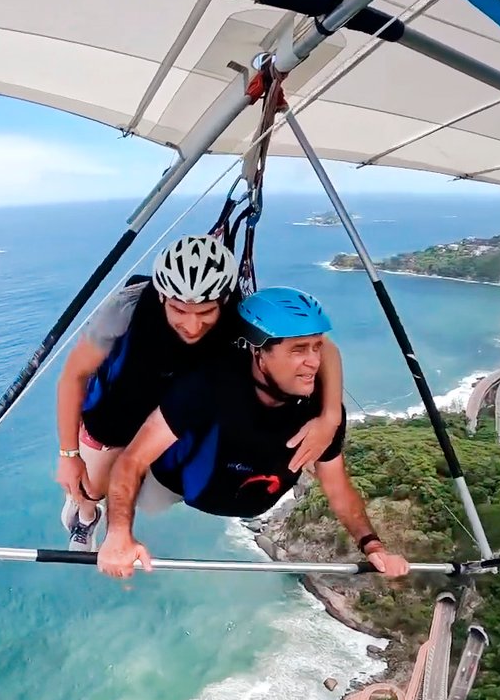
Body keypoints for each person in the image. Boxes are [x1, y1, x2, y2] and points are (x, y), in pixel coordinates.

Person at [95, 286, 410, 580]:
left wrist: (372, 546)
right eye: (299, 350)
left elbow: (338, 488)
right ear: (258, 353)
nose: (313, 362)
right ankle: (84, 508)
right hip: (171, 487)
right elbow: (132, 461)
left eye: (316, 348)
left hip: (251, 496)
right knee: (109, 481)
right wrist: (119, 533)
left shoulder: (319, 415)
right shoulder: (206, 388)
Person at [55, 235, 345, 549]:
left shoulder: (243, 314)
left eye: (205, 312)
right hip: (118, 416)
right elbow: (73, 376)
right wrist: (68, 455)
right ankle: (85, 515)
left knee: (171, 472)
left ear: (222, 300)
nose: (192, 326)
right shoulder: (124, 309)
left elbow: (324, 346)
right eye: (180, 311)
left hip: (177, 413)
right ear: (163, 297)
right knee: (93, 488)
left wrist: (329, 418)